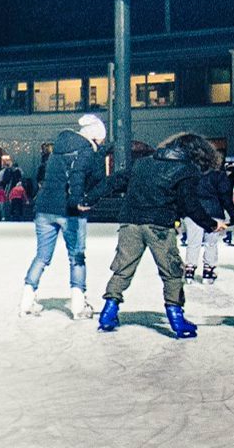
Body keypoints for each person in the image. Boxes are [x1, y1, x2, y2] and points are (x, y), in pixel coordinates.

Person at [94, 132, 220, 338]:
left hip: (131, 222)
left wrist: (89, 198)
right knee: (171, 271)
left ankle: (108, 313)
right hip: (160, 226)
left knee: (123, 268)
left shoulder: (142, 163)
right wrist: (211, 225)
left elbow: (115, 181)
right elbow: (190, 204)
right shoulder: (186, 169)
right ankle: (177, 319)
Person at [22, 114, 107, 320]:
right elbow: (78, 176)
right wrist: (78, 199)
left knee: (42, 257)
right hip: (69, 211)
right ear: (94, 137)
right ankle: (78, 304)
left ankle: (26, 301)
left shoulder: (57, 149)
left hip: (44, 208)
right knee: (76, 257)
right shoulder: (85, 151)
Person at [182, 156, 232, 283]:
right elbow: (224, 195)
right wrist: (232, 213)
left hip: (194, 212)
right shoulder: (218, 175)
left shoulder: (190, 173)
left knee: (193, 242)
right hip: (214, 212)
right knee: (211, 244)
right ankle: (208, 271)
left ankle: (189, 270)